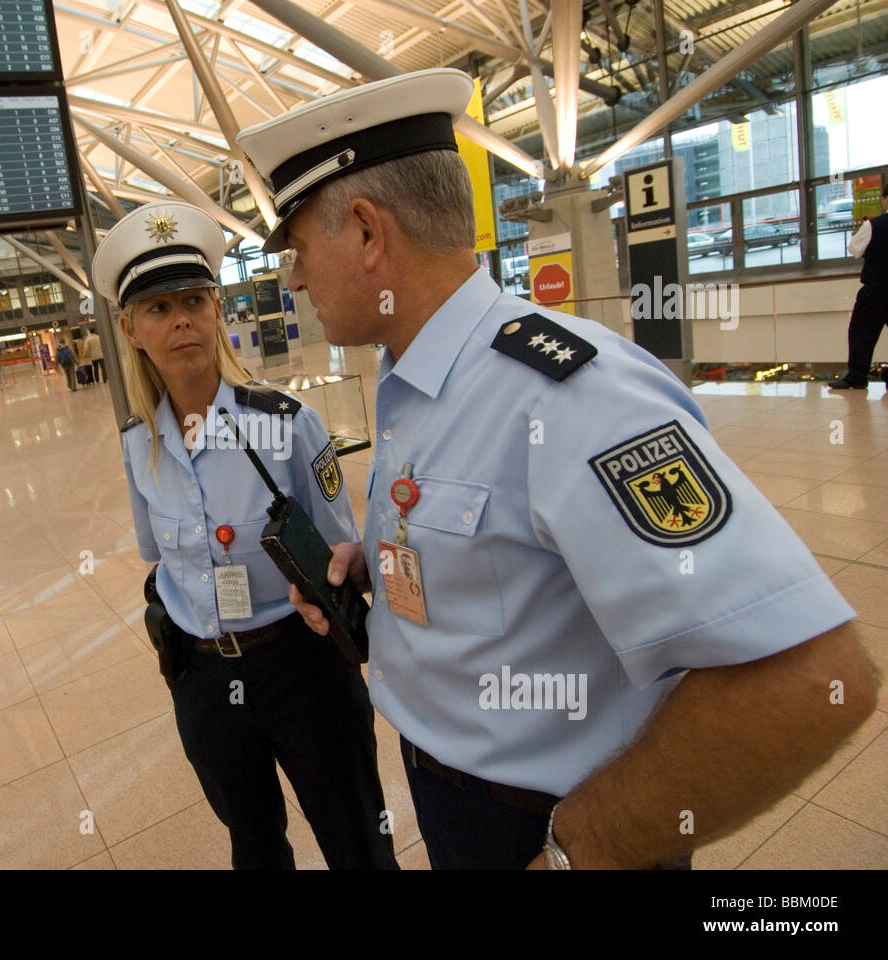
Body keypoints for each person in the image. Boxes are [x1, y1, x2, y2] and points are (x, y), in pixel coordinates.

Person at [237, 68, 879, 870]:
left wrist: (579, 849)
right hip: (455, 799)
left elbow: (812, 680)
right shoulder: (416, 380)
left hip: (550, 828)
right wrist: (384, 568)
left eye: (296, 248)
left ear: (368, 233)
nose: (291, 277)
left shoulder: (569, 396)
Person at [92, 199, 398, 870]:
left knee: (358, 842)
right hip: (203, 679)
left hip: (302, 667)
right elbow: (159, 560)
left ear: (217, 312)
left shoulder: (287, 424)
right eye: (158, 309)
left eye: (194, 301)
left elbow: (339, 554)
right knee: (254, 848)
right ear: (131, 329)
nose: (180, 322)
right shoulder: (139, 444)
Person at [828, 181, 888, 389]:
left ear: (885, 199)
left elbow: (854, 248)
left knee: (862, 333)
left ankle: (857, 376)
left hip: (876, 288)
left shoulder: (874, 225)